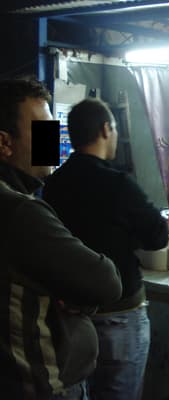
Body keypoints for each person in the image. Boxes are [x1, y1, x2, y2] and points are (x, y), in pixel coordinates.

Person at [0, 77, 122, 400]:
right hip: (41, 388)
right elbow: (107, 282)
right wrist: (74, 292)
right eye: (43, 131)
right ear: (5, 143)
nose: (53, 140)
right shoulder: (18, 212)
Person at [43, 98, 169, 400]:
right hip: (119, 316)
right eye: (114, 128)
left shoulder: (53, 185)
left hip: (69, 320)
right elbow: (158, 237)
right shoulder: (119, 184)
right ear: (105, 130)